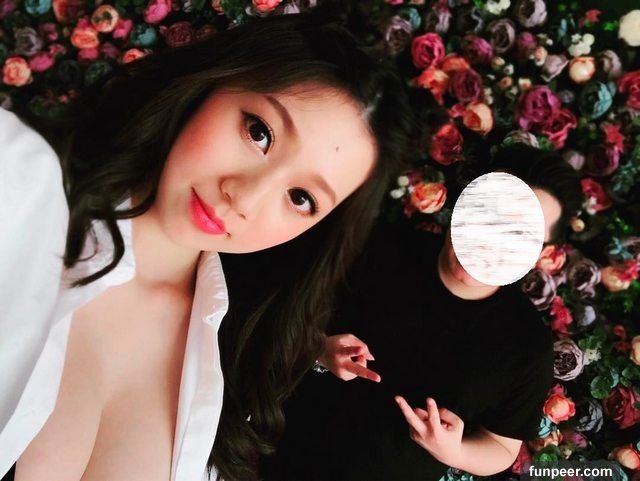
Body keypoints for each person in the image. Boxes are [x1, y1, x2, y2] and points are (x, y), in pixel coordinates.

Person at [0, 5, 432, 481]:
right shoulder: (17, 184)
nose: (243, 197)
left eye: (301, 198)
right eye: (259, 133)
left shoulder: (235, 355)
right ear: (212, 83)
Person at [261, 145, 584, 481]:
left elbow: (502, 447)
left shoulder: (527, 345)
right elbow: (268, 313)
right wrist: (317, 349)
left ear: (539, 253)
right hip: (262, 456)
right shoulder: (374, 245)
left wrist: (455, 451)